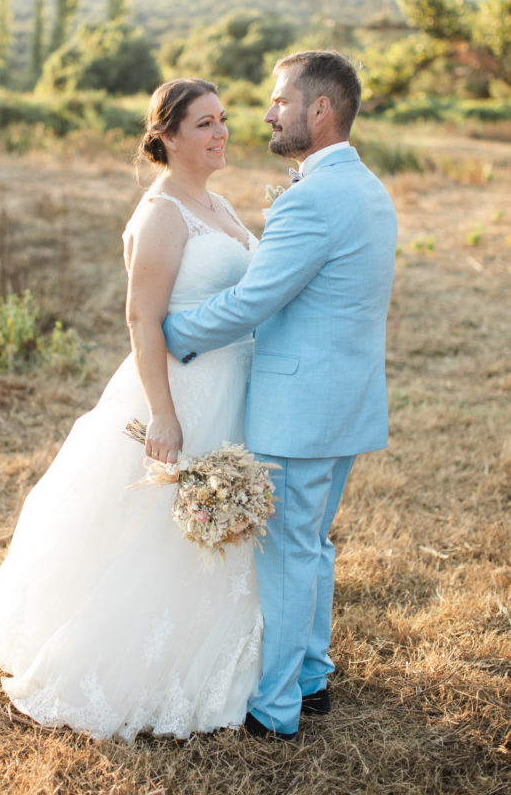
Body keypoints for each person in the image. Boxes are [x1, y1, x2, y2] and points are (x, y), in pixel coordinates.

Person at [0, 78, 263, 740]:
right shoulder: (161, 212)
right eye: (203, 124)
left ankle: (228, 657)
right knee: (159, 529)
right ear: (166, 136)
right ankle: (135, 668)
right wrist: (163, 415)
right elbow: (142, 318)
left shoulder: (217, 203)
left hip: (234, 387)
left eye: (223, 120)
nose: (221, 133)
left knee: (221, 523)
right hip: (180, 391)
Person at [163, 51, 398, 740]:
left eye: (277, 100)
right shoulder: (368, 188)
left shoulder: (312, 198)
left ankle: (274, 708)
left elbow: (252, 302)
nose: (266, 113)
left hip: (298, 410)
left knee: (291, 552)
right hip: (343, 400)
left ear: (317, 110)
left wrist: (169, 329)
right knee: (311, 545)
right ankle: (311, 678)